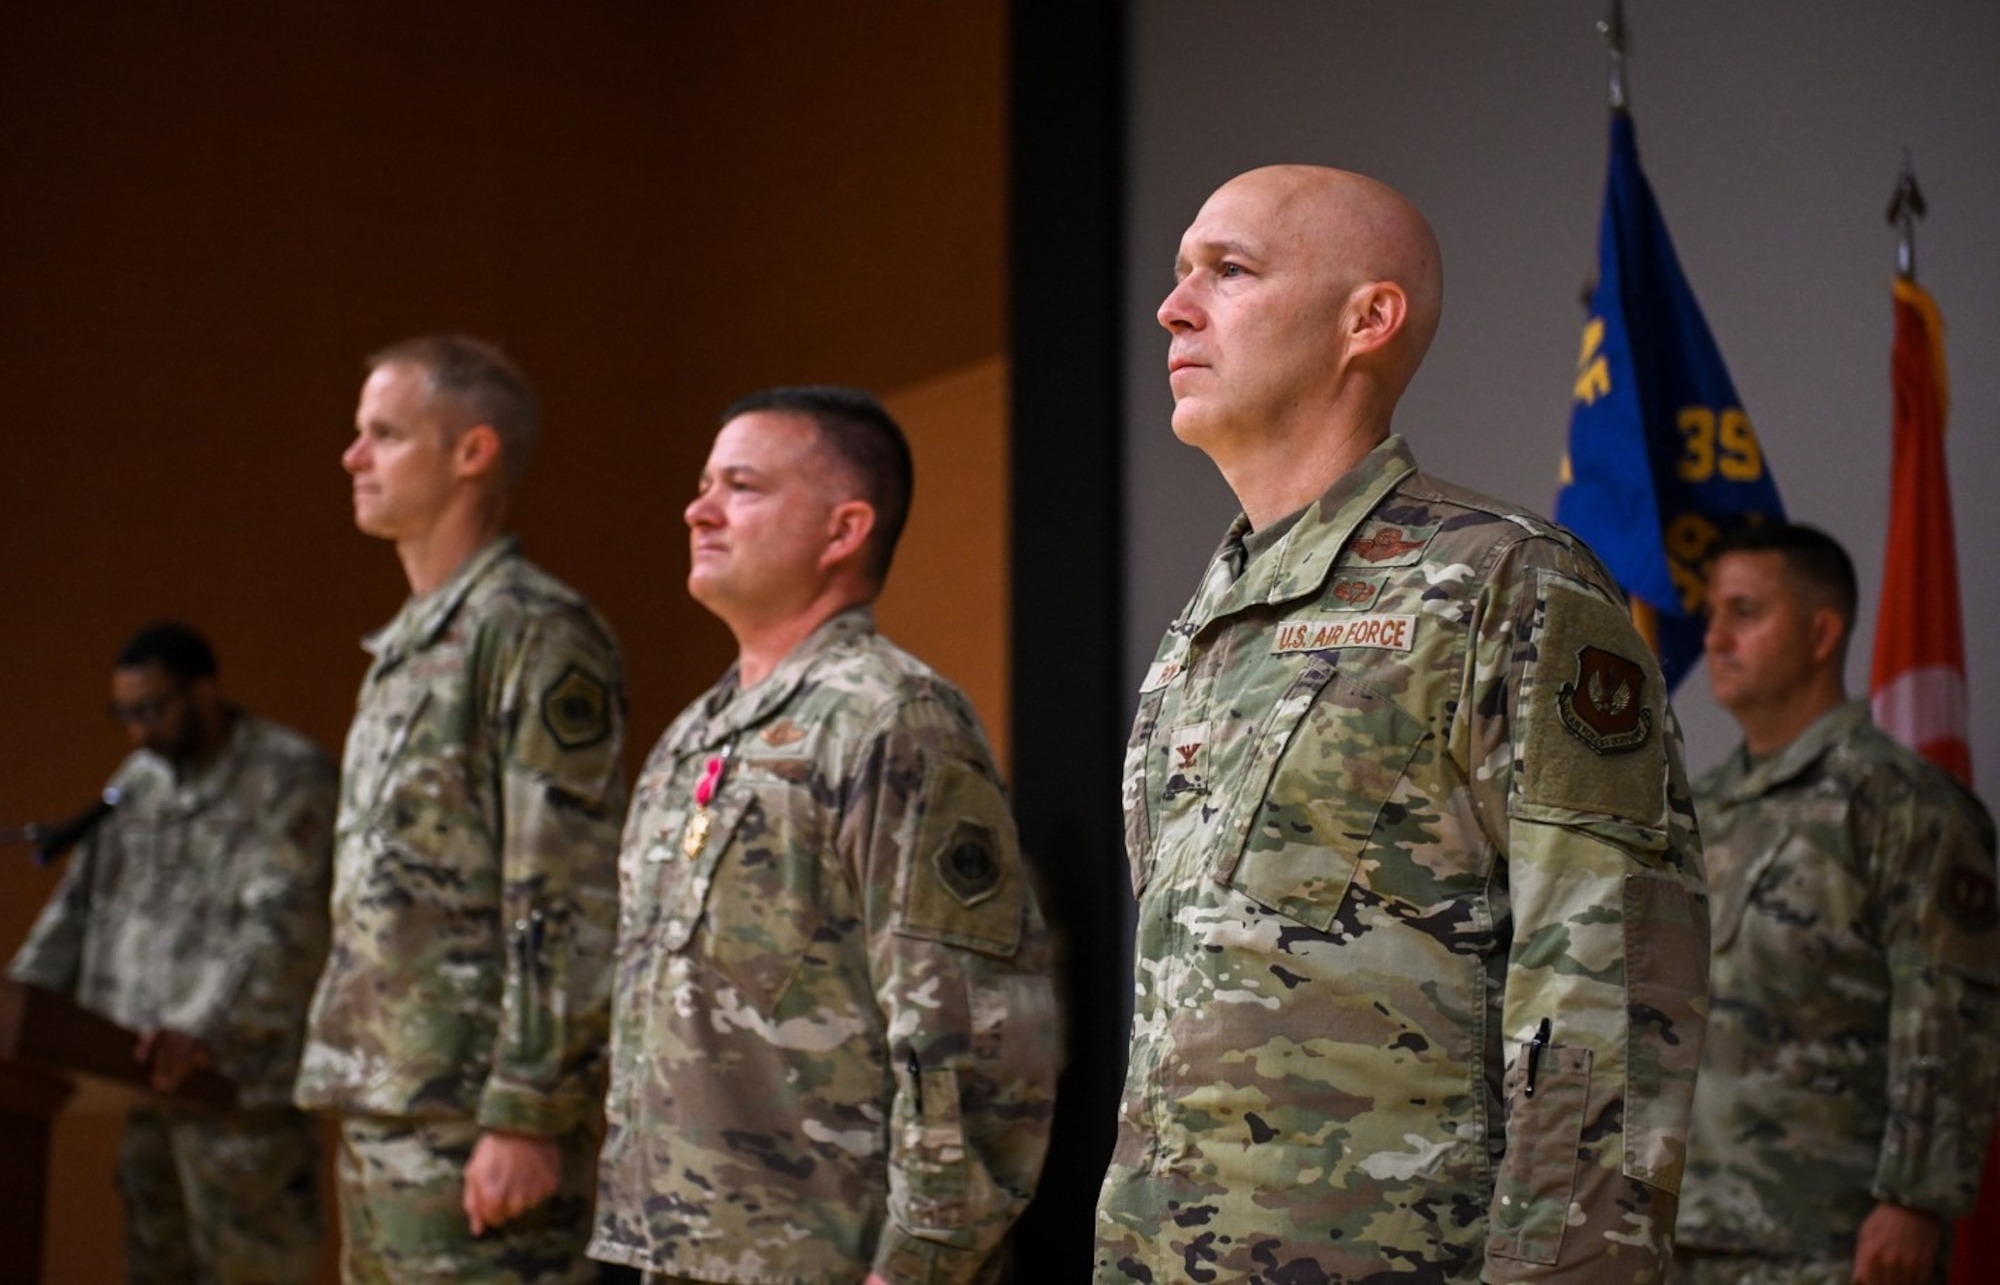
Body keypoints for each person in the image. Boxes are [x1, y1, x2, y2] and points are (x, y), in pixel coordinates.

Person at [1094, 165, 1710, 1282]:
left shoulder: (1503, 586)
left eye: (1226, 272)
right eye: (1179, 273)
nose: (1172, 308)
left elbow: (1608, 989)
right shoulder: (1207, 620)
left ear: (1365, 320)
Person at [588, 386, 1058, 1284]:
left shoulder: (893, 720)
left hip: (832, 1260)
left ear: (843, 530)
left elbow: (971, 1018)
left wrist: (924, 1256)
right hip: (682, 1248)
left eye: (743, 486)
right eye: (702, 484)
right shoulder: (694, 735)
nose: (699, 508)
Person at [295, 334, 628, 1283]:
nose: (353, 456)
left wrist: (528, 1110)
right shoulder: (405, 647)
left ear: (472, 451)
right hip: (389, 1100)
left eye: (384, 434)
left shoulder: (531, 633)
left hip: (475, 1117)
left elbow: (563, 888)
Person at [1673, 523, 2000, 1285]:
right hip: (1685, 1227)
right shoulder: (1704, 809)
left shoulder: (1902, 803)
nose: (1715, 638)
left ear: (1822, 633)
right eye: (1713, 614)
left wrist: (1915, 1200)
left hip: (1832, 1240)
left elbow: (1950, 1009)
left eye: (1744, 613)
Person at [8, 621, 335, 1284]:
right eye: (124, 714)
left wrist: (203, 1033)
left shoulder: (287, 776)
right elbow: (76, 909)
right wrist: (14, 1002)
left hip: (242, 1103)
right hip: (145, 1093)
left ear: (205, 692)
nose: (137, 731)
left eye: (152, 710)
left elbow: (288, 929)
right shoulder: (139, 781)